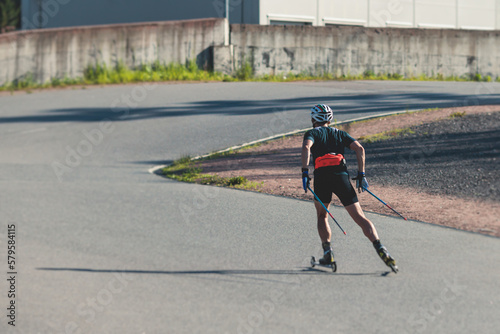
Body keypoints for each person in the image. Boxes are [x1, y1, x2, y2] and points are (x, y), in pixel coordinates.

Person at [301, 104, 398, 272]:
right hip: (341, 177)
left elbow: (306, 147)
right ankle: (381, 248)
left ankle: (328, 253)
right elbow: (359, 148)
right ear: (330, 119)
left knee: (322, 216)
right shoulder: (339, 133)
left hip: (322, 177)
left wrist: (304, 172)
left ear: (313, 119)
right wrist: (361, 174)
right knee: (360, 217)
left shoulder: (312, 133)